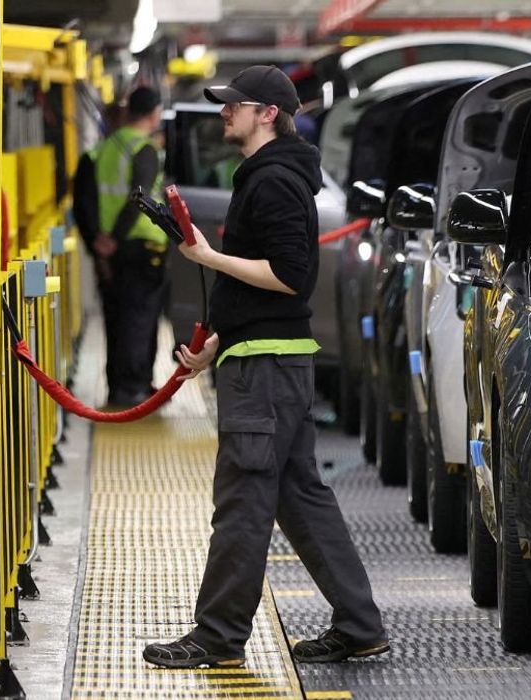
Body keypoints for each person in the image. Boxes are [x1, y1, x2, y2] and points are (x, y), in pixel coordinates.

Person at [142, 65, 388, 669]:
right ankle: (360, 625)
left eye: (236, 104)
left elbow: (287, 275)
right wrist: (216, 343)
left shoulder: (273, 181)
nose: (225, 112)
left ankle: (218, 636)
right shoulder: (269, 175)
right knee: (299, 497)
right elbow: (259, 290)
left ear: (268, 114)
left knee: (243, 501)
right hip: (272, 358)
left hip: (265, 372)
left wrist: (208, 256)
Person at [82, 87, 169, 406]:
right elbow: (140, 199)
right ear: (154, 114)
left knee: (116, 316)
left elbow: (88, 199)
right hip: (141, 244)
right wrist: (116, 237)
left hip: (111, 248)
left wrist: (99, 240)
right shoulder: (144, 149)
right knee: (141, 317)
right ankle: (134, 388)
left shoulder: (102, 149)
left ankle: (119, 385)